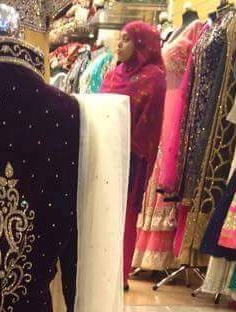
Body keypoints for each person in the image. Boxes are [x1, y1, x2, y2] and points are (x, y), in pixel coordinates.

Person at [101, 21, 167, 288]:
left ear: (142, 44)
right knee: (101, 212)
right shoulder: (113, 74)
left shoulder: (154, 77)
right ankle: (99, 273)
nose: (119, 44)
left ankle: (118, 275)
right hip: (103, 152)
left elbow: (151, 124)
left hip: (131, 159)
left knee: (124, 216)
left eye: (127, 39)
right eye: (120, 38)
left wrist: (129, 152)